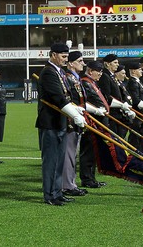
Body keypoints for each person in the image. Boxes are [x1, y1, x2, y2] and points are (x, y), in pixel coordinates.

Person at [36, 42, 86, 206]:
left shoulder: (60, 72)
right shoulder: (49, 73)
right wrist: (74, 114)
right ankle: (49, 194)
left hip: (61, 122)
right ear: (53, 55)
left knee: (59, 160)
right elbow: (57, 98)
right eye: (63, 56)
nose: (66, 59)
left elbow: (67, 96)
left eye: (66, 56)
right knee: (51, 161)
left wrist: (75, 109)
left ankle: (58, 192)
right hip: (50, 122)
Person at [62, 51, 88, 197]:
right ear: (71, 63)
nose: (83, 64)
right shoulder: (68, 78)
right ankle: (67, 185)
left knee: (73, 154)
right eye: (80, 61)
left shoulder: (76, 78)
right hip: (70, 120)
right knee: (69, 154)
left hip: (77, 118)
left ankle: (71, 183)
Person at [79, 60, 108, 189]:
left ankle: (91, 178)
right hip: (92, 121)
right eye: (99, 71)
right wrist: (97, 110)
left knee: (94, 151)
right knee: (88, 150)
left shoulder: (92, 83)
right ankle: (86, 178)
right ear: (91, 71)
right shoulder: (85, 82)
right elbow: (85, 101)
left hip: (99, 121)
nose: (100, 74)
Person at [98, 54, 131, 137]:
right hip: (112, 113)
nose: (117, 65)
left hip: (118, 112)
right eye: (115, 62)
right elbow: (106, 96)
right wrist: (121, 105)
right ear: (108, 64)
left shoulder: (112, 76)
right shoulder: (105, 76)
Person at [126, 62, 143, 151]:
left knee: (142, 135)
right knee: (136, 135)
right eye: (139, 69)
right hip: (138, 113)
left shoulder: (138, 82)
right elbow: (136, 100)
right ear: (134, 71)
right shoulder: (132, 82)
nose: (141, 71)